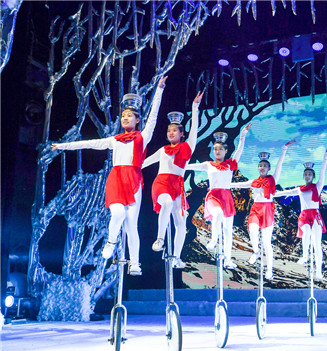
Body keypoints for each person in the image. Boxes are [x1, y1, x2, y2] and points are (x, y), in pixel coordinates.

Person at [52, 76, 168, 275]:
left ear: (137, 120)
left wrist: (159, 90)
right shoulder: (115, 140)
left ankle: (135, 263)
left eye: (129, 116)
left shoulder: (143, 137)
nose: (125, 118)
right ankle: (111, 242)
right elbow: (89, 143)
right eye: (123, 116)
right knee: (118, 213)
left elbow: (154, 117)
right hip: (116, 179)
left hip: (134, 181)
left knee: (131, 225)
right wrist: (63, 146)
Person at [142, 91, 204, 269]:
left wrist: (195, 107)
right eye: (169, 130)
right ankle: (160, 238)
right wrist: (130, 168)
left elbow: (194, 129)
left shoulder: (187, 147)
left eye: (174, 130)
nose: (171, 133)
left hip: (178, 186)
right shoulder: (163, 150)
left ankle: (176, 257)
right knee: (167, 203)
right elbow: (145, 162)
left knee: (181, 223)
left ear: (181, 134)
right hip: (161, 183)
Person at [186, 124, 251, 269]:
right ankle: (213, 239)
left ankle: (228, 260)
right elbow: (189, 166)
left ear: (226, 151)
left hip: (226, 197)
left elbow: (240, 150)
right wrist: (176, 165)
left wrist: (243, 134)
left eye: (220, 149)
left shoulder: (230, 164)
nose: (217, 151)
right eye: (215, 149)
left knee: (228, 230)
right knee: (217, 213)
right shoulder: (208, 164)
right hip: (213, 196)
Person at [230, 140, 295, 280]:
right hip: (255, 208)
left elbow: (280, 165)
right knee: (252, 229)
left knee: (266, 242)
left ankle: (269, 270)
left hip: (267, 210)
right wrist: (222, 185)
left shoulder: (272, 179)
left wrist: (284, 149)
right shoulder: (253, 182)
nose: (262, 167)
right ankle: (255, 251)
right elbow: (238, 184)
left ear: (268, 168)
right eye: (260, 165)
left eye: (265, 166)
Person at [274, 146, 327, 281]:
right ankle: (305, 256)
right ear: (304, 176)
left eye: (310, 174)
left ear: (313, 176)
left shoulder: (317, 186)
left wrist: (326, 156)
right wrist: (273, 194)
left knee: (317, 245)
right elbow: (287, 192)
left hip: (315, 216)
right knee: (306, 232)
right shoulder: (300, 189)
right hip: (304, 216)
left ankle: (319, 272)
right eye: (306, 174)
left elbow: (323, 172)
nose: (307, 176)